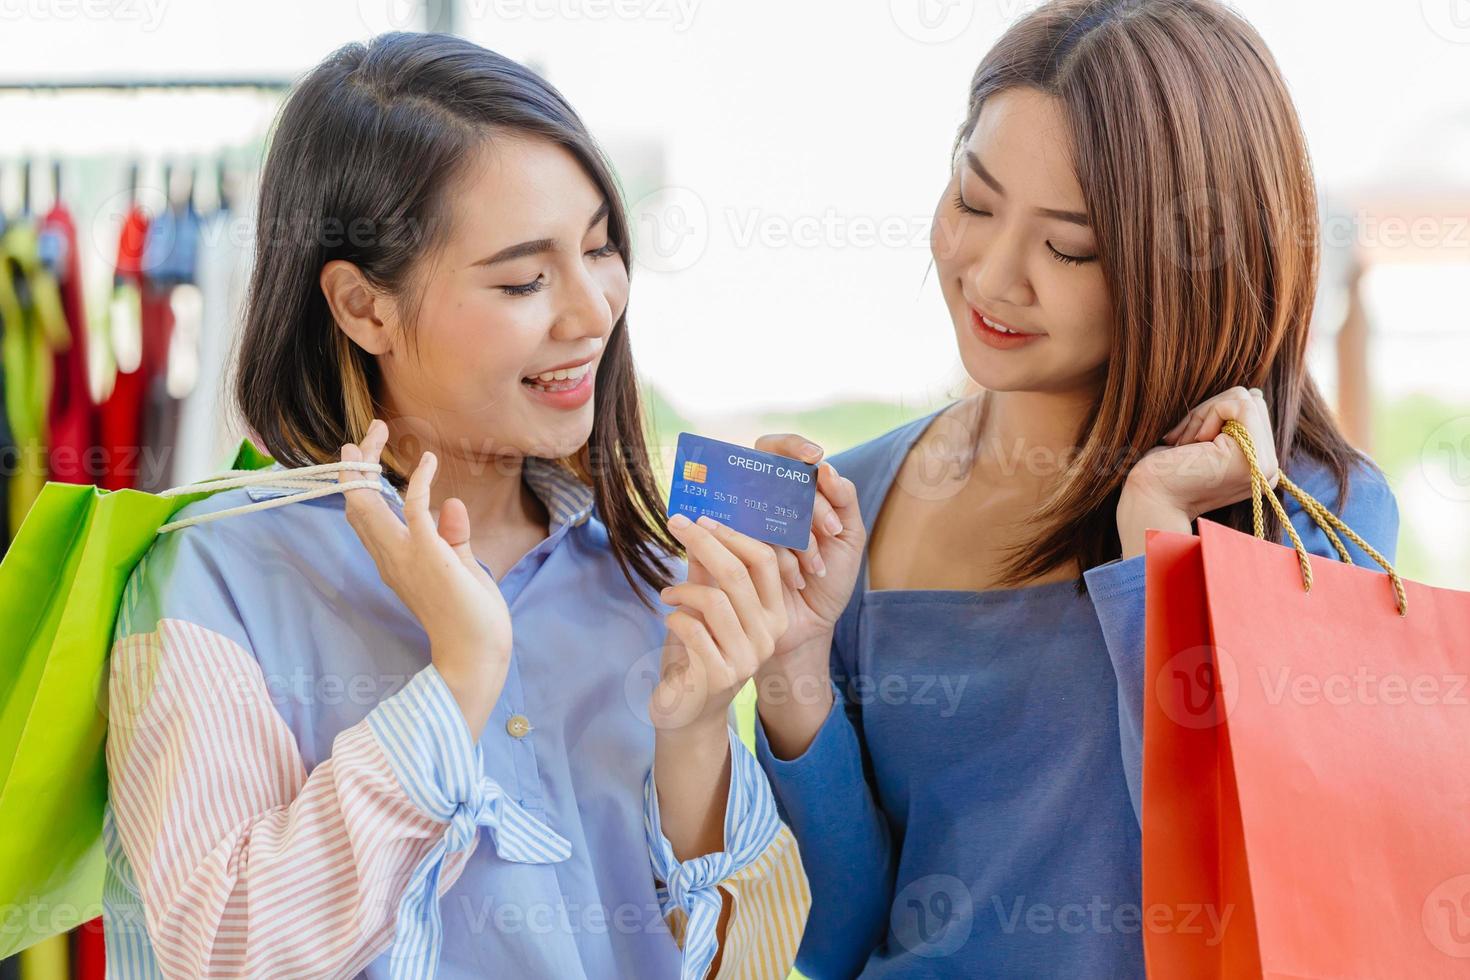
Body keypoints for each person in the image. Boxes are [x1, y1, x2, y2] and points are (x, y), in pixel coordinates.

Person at [101, 33, 811, 980]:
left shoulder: (647, 572)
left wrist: (693, 739)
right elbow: (225, 952)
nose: (594, 310)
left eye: (600, 247)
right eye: (524, 279)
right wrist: (459, 677)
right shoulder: (212, 577)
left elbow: (757, 960)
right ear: (364, 308)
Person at [747, 1, 1401, 975]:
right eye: (973, 201)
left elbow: (1251, 891)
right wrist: (792, 664)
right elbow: (837, 933)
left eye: (1070, 247)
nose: (993, 274)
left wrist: (1157, 541)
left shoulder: (1311, 517)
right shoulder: (852, 500)